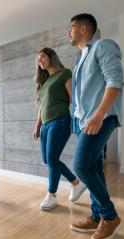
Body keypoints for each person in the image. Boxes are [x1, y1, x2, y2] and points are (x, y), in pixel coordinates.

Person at [67, 13, 124, 239]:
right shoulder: (80, 58)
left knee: (80, 166)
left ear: (82, 29)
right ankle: (96, 215)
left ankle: (109, 216)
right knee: (95, 169)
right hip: (85, 122)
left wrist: (99, 115)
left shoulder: (103, 45)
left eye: (71, 28)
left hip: (100, 118)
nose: (68, 33)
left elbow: (115, 81)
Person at [32, 48, 87, 211]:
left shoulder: (64, 73)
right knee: (48, 160)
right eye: (38, 59)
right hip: (46, 125)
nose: (39, 60)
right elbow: (42, 107)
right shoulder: (43, 83)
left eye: (42, 56)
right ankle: (76, 183)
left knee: (52, 158)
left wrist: (80, 120)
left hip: (61, 120)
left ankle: (51, 195)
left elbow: (73, 99)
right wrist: (37, 126)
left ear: (51, 56)